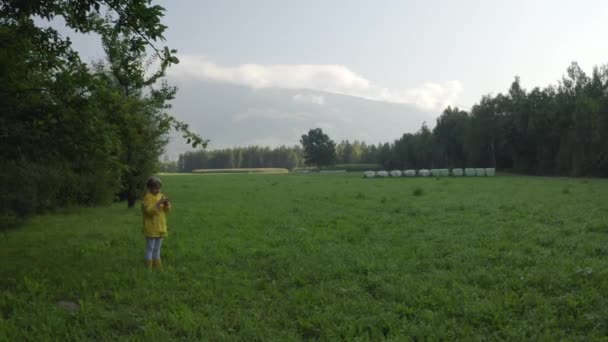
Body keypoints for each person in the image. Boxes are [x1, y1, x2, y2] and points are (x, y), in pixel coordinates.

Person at [142, 176, 171, 269]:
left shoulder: (160, 196)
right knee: (150, 248)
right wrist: (158, 203)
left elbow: (167, 210)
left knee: (157, 249)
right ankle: (148, 267)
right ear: (149, 188)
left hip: (160, 227)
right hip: (151, 227)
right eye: (155, 188)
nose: (158, 190)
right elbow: (149, 212)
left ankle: (157, 266)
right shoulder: (147, 197)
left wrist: (167, 204)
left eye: (159, 188)